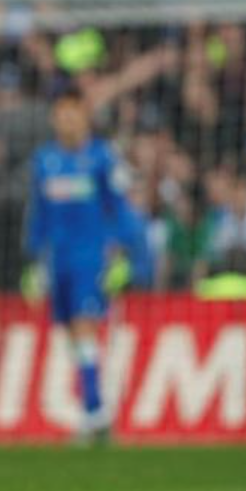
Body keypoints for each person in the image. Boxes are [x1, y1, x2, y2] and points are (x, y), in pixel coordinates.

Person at [23, 87, 150, 444]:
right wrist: (34, 260)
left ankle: (94, 413)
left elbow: (121, 209)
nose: (66, 119)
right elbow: (39, 215)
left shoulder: (102, 158)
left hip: (90, 257)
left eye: (73, 112)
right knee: (72, 337)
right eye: (61, 113)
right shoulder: (44, 160)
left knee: (84, 330)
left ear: (84, 116)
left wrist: (123, 253)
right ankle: (95, 410)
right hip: (57, 260)